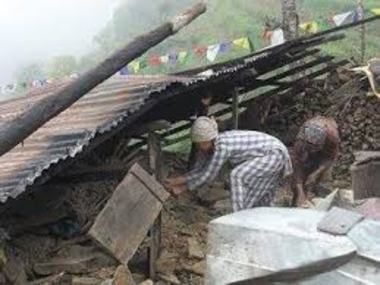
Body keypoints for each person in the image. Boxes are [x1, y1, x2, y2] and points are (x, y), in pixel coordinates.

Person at [165, 117, 293, 212]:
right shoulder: (211, 148)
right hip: (271, 156)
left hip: (274, 155)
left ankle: (237, 219)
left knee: (237, 175)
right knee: (259, 205)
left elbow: (207, 176)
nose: (199, 147)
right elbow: (201, 170)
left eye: (200, 143)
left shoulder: (222, 146)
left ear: (209, 139)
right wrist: (174, 182)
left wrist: (180, 187)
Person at [289, 116, 340, 207]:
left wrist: (316, 173)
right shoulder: (300, 141)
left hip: (325, 153)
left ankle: (318, 201)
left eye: (315, 148)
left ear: (321, 144)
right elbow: (297, 166)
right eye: (310, 148)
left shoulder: (332, 137)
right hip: (306, 147)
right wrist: (300, 191)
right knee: (299, 182)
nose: (312, 151)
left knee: (322, 181)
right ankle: (298, 200)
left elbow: (330, 158)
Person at [187, 93, 213, 170]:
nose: (210, 101)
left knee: (196, 151)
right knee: (196, 151)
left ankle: (193, 167)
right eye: (209, 99)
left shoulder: (203, 107)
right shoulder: (200, 107)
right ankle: (192, 168)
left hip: (200, 133)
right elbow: (196, 119)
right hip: (200, 133)